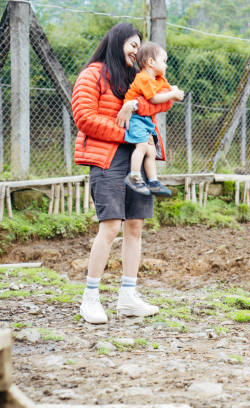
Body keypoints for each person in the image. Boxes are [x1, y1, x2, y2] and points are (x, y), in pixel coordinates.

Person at [72, 23, 170, 324]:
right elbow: (84, 117)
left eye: (140, 45)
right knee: (111, 226)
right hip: (106, 160)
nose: (137, 50)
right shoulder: (93, 74)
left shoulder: (136, 78)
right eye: (132, 44)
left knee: (135, 227)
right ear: (117, 43)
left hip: (136, 161)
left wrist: (144, 90)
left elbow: (160, 102)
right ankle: (90, 297)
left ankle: (128, 296)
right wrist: (128, 132)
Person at [123, 41, 184, 196]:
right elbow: (154, 99)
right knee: (142, 146)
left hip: (146, 119)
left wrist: (175, 91)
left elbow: (169, 88)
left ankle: (153, 181)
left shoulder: (159, 78)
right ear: (150, 62)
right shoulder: (143, 78)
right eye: (164, 61)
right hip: (135, 118)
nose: (166, 65)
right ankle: (134, 176)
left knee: (151, 151)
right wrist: (171, 95)